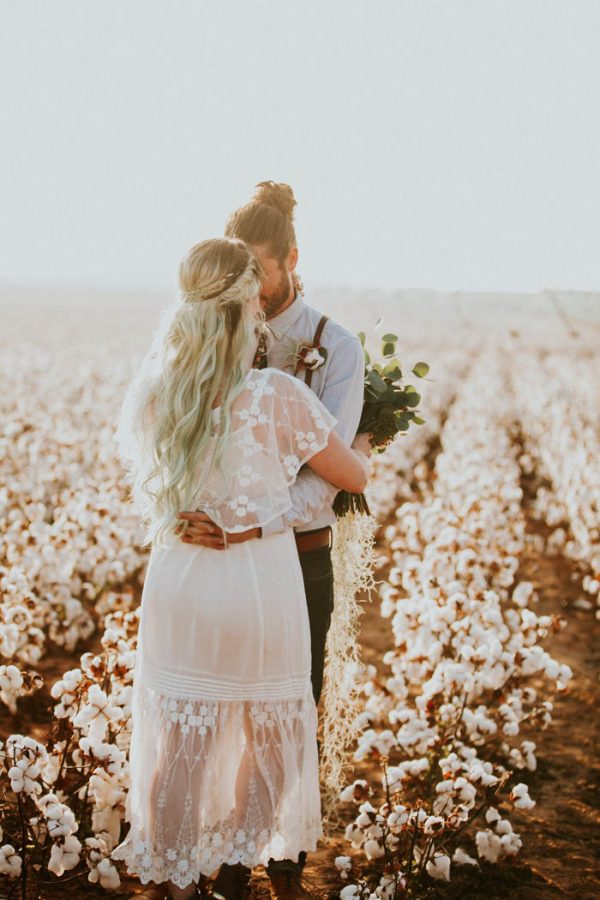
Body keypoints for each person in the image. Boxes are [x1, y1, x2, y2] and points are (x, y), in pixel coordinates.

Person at [110, 236, 371, 900]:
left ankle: (176, 878)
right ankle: (239, 852)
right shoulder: (277, 395)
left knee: (178, 734)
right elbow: (351, 476)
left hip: (180, 580)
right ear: (249, 306)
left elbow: (149, 491)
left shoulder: (154, 392)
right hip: (258, 581)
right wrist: (364, 438)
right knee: (268, 730)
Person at [175, 183, 365, 899]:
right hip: (214, 558)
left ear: (292, 259)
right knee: (218, 705)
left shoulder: (332, 346)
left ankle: (275, 850)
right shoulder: (202, 341)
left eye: (261, 268)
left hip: (297, 554)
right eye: (239, 270)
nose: (250, 285)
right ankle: (222, 852)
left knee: (286, 707)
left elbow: (333, 475)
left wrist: (253, 520)